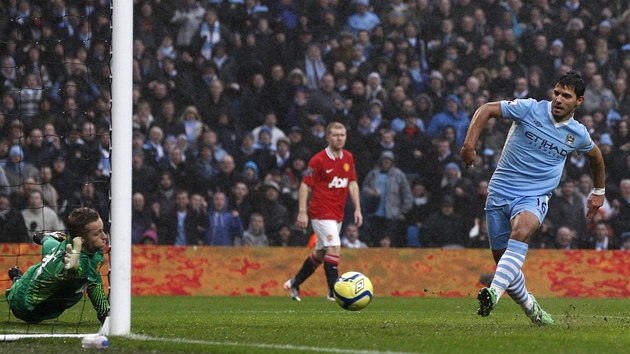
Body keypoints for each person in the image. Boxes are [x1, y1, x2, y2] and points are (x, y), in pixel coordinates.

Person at [460, 70, 606, 326]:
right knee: (505, 260)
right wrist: (469, 145)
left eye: (566, 96)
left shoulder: (578, 134)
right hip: (500, 191)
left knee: (523, 229)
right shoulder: (529, 109)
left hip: (534, 195)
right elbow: (485, 109)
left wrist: (598, 191)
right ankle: (533, 310)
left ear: (579, 101)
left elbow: (596, 157)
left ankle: (493, 293)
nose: (559, 99)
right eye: (557, 93)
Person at [284, 122, 363, 302]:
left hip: (337, 213)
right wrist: (302, 212)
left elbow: (352, 183)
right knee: (334, 247)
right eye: (335, 135)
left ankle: (294, 283)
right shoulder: (318, 160)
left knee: (320, 253)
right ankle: (334, 292)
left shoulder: (348, 158)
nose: (339, 138)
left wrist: (357, 208)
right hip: (320, 212)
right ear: (328, 137)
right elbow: (305, 185)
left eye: (342, 135)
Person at [6, 207, 109, 324]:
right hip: (24, 306)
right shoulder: (71, 265)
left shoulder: (90, 247)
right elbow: (72, 274)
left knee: (50, 244)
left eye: (102, 230)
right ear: (81, 240)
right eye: (97, 233)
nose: (104, 236)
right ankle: (16, 278)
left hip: (47, 260)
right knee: (88, 280)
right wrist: (104, 314)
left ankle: (46, 237)